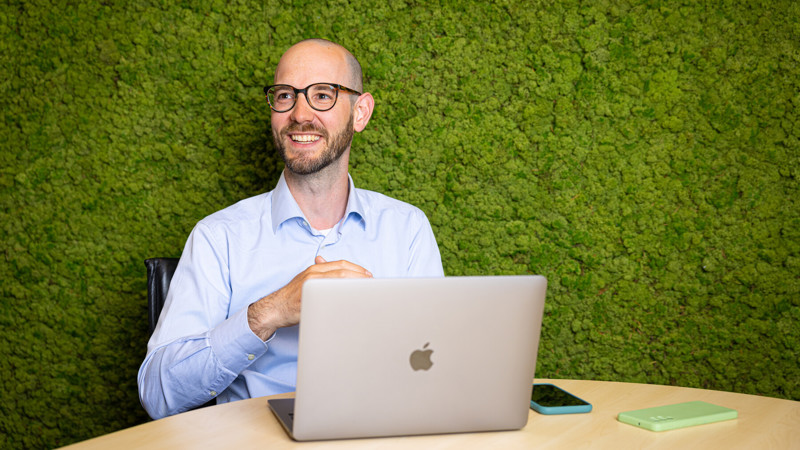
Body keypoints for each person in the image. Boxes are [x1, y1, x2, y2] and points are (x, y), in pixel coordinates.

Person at [137, 39, 444, 419]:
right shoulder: (219, 237)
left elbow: (436, 371)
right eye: (285, 96)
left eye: (323, 95)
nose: (300, 114)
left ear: (360, 112)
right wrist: (270, 312)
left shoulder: (407, 229)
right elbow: (157, 393)